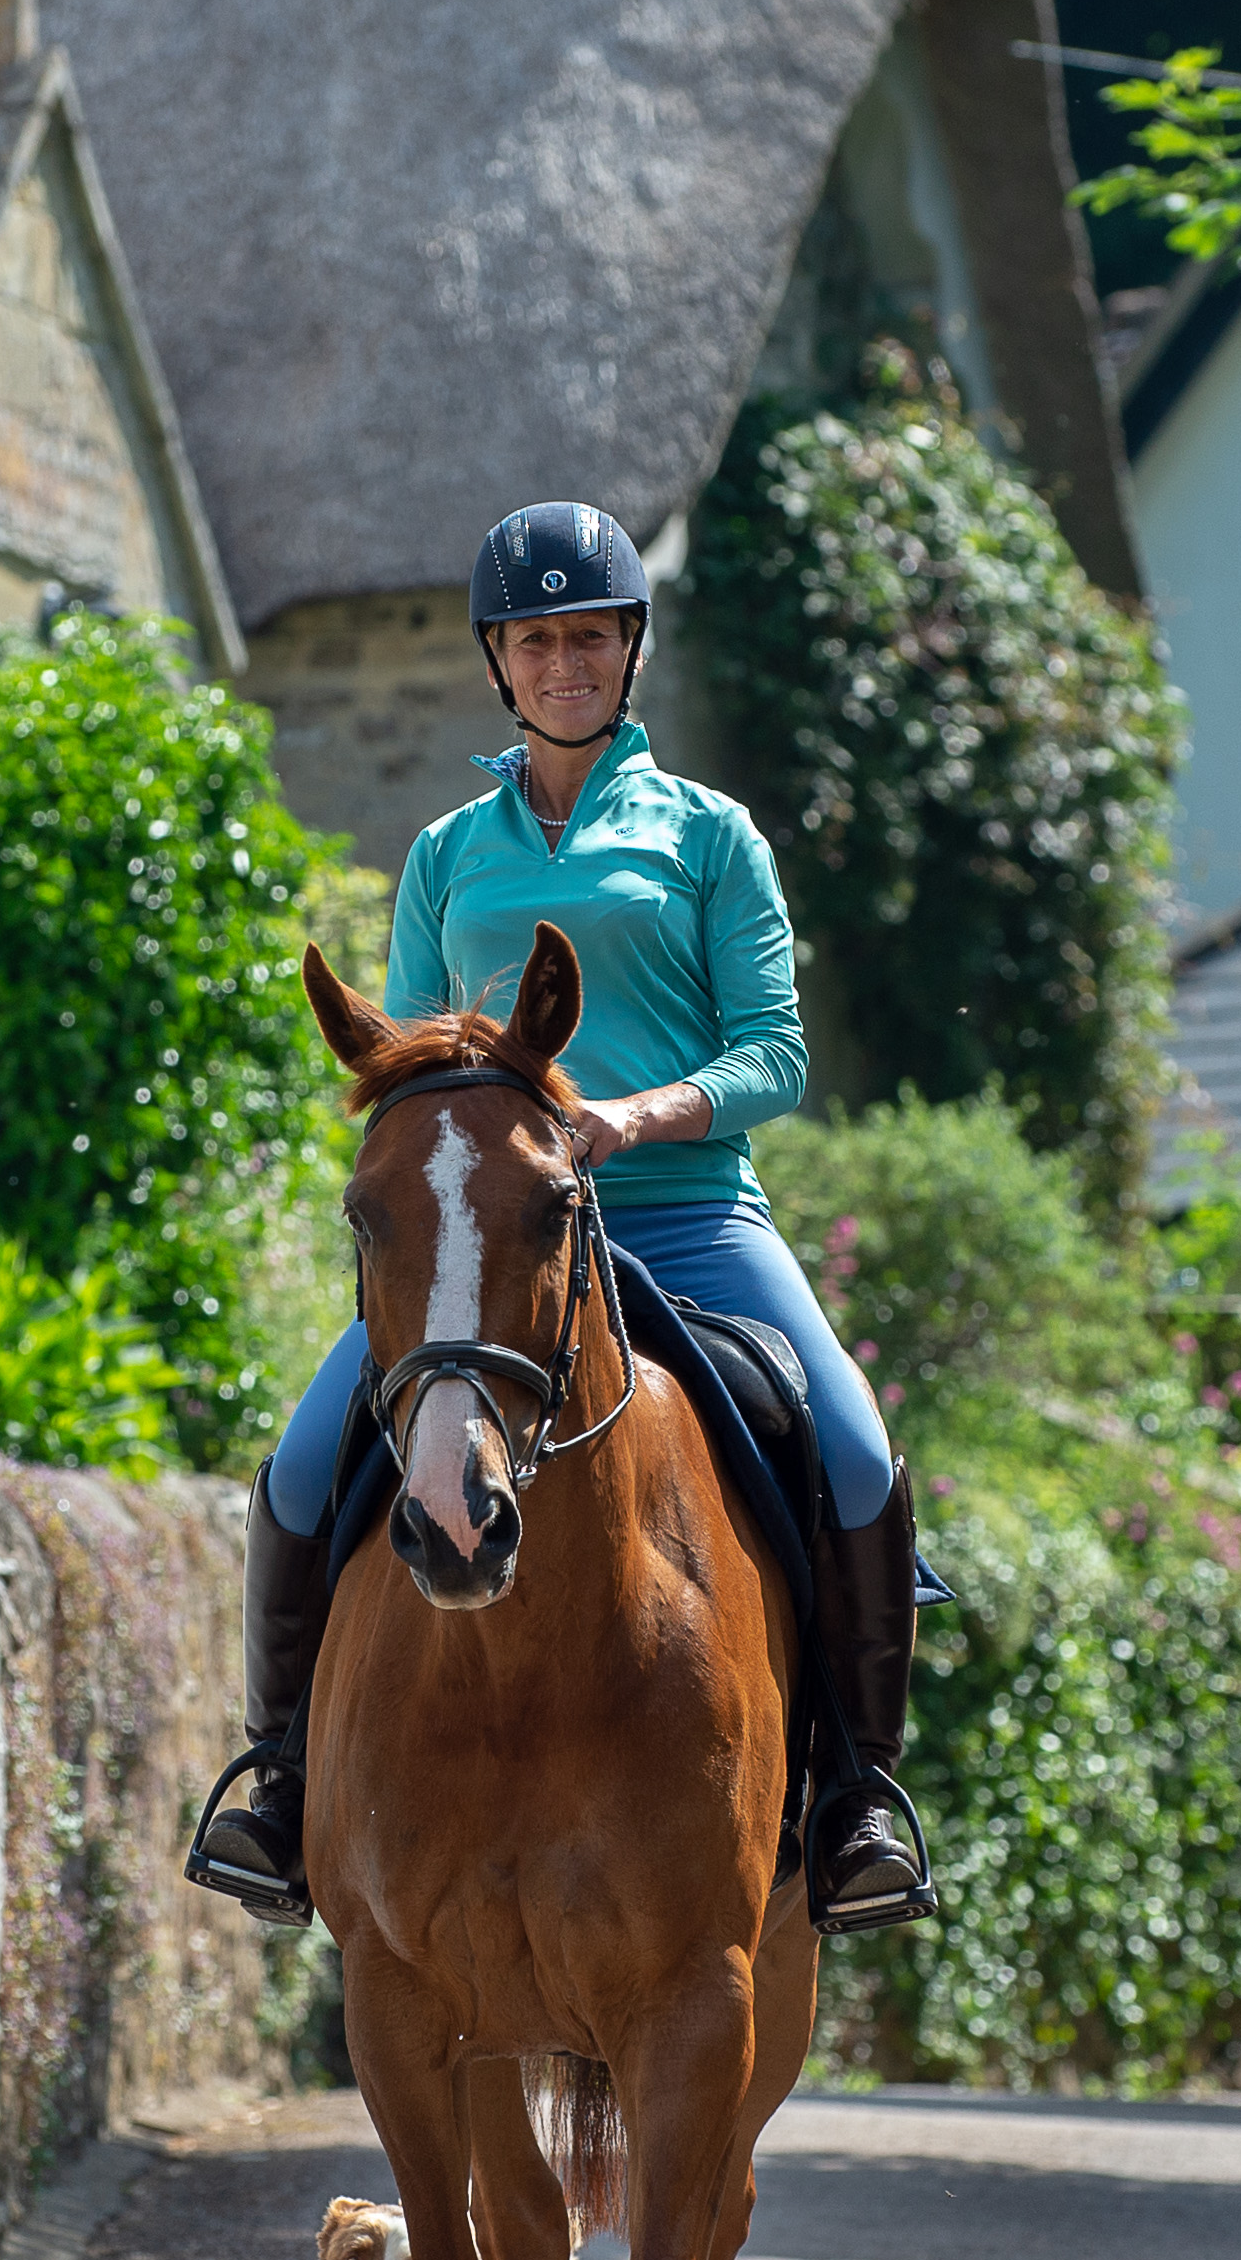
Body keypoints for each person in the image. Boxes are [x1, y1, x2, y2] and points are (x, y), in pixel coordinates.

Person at [187, 500, 931, 1941]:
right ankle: (278, 1791)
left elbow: (774, 1054)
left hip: (689, 1218)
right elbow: (410, 1062)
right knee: (295, 1469)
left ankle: (853, 1804)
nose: (564, 662)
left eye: (589, 634)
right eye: (537, 639)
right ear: (498, 662)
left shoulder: (707, 837)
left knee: (849, 1447)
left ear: (629, 648)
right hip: (496, 1241)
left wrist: (624, 1122)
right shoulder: (445, 853)